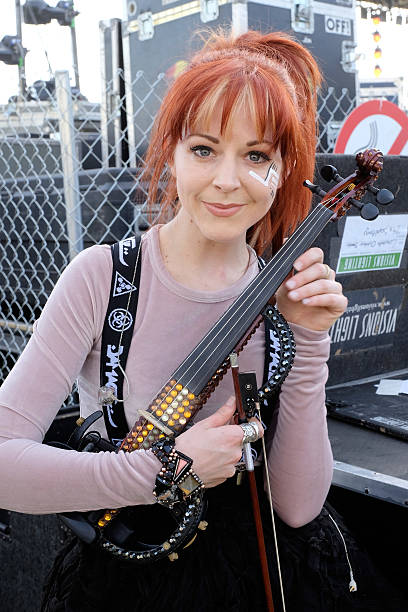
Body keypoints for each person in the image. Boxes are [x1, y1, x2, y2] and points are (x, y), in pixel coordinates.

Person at [0, 29, 404, 612]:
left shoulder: (283, 294)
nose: (226, 180)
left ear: (286, 169)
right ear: (172, 151)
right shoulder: (103, 278)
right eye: (204, 149)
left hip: (261, 572)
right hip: (137, 561)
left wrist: (312, 339)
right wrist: (163, 470)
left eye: (257, 155)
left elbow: (296, 507)